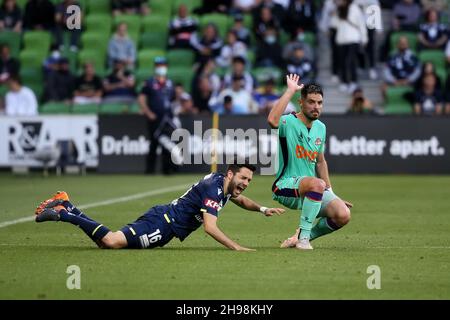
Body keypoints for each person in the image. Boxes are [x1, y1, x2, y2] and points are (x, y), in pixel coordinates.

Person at [34, 163, 285, 250]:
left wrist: (262, 209)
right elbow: (210, 227)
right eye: (243, 178)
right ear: (231, 174)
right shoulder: (214, 188)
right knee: (110, 241)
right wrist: (236, 247)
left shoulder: (224, 185)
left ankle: (67, 203)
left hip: (165, 226)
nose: (246, 184)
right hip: (162, 222)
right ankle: (64, 213)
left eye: (249, 180)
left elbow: (239, 199)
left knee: (105, 243)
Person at [267, 74, 353, 250]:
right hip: (286, 186)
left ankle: (300, 237)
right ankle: (303, 240)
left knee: (343, 214)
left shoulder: (321, 127)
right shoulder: (288, 121)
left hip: (313, 188)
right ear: (301, 102)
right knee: (316, 184)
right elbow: (272, 120)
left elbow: (320, 162)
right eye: (311, 102)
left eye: (320, 103)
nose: (316, 107)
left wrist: (331, 193)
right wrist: (290, 90)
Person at [138, 56, 177, 174]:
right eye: (159, 66)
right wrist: (148, 112)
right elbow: (141, 98)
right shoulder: (149, 83)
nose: (161, 68)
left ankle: (167, 169)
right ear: (155, 67)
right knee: (154, 143)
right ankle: (150, 170)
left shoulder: (169, 83)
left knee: (167, 144)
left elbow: (173, 100)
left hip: (167, 118)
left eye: (163, 65)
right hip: (155, 118)